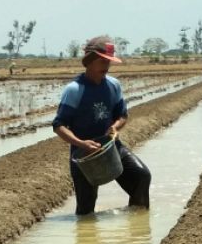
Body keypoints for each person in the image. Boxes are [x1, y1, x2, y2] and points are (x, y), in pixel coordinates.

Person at [52, 35, 151, 215]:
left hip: (112, 148)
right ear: (89, 61)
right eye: (102, 61)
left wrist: (116, 126)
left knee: (142, 176)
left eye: (109, 62)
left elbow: (122, 115)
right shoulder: (75, 90)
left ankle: (138, 225)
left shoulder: (113, 85)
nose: (106, 66)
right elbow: (59, 125)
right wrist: (82, 144)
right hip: (85, 156)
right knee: (86, 209)